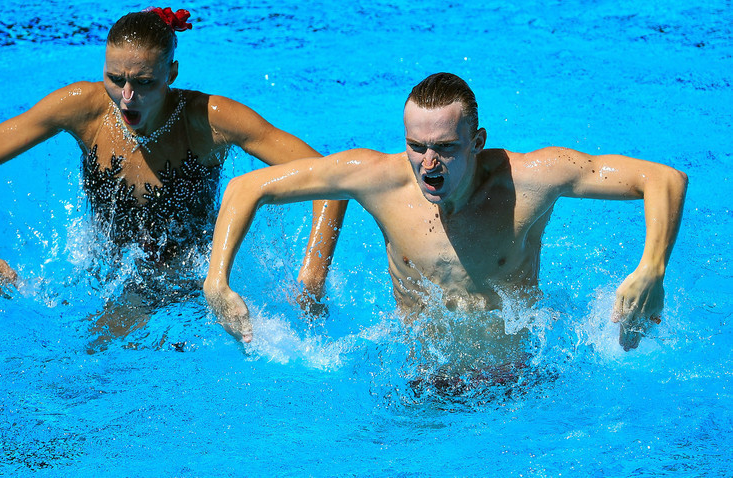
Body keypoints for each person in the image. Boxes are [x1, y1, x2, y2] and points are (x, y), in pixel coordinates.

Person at [204, 73, 687, 366]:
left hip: (515, 378)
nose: (428, 163)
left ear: (477, 142)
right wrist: (217, 283)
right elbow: (247, 187)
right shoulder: (376, 177)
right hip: (419, 378)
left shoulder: (530, 177)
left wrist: (651, 268)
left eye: (446, 148)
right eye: (417, 146)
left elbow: (663, 179)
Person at [0, 8, 346, 344]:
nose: (126, 97)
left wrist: (311, 278)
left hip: (191, 279)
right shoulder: (83, 109)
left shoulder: (207, 120)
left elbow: (331, 180)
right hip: (105, 274)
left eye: (143, 83)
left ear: (171, 73)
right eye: (115, 79)